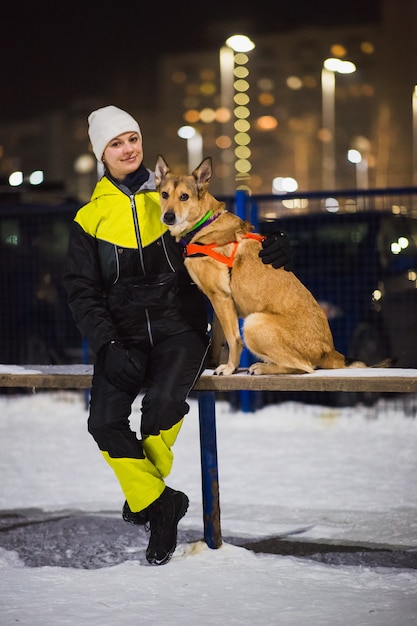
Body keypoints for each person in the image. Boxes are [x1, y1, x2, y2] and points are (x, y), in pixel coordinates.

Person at [63, 105, 291, 566]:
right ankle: (160, 502)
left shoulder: (174, 195)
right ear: (100, 153)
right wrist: (107, 343)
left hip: (178, 329)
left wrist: (267, 244)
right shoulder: (89, 218)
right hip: (121, 335)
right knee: (103, 422)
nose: (127, 148)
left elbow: (226, 236)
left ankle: (149, 505)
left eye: (132, 138)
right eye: (115, 142)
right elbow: (82, 292)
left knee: (162, 408)